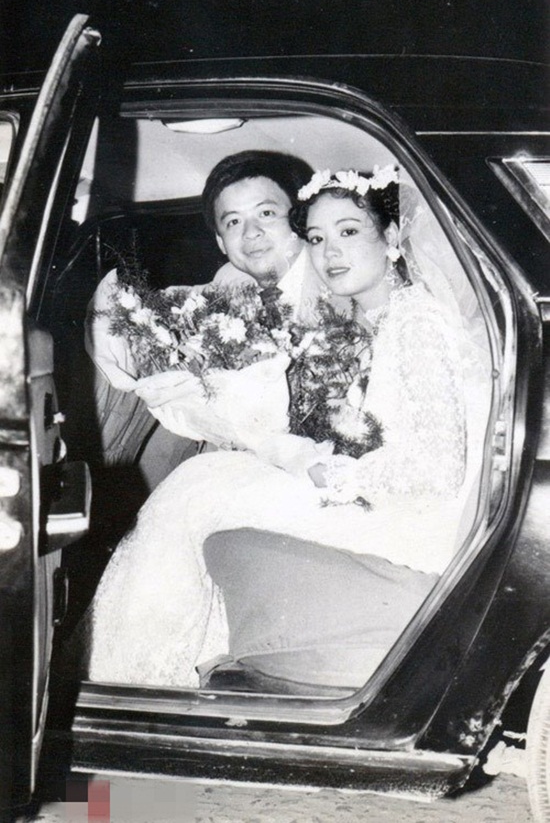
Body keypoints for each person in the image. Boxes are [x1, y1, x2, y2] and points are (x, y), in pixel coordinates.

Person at [83, 166, 472, 690]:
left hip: (410, 518)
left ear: (393, 237)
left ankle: (132, 680)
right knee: (201, 481)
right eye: (318, 238)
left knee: (194, 489)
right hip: (376, 490)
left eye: (349, 231)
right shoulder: (374, 317)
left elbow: (437, 471)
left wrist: (334, 475)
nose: (330, 252)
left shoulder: (417, 323)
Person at [84, 150, 318, 481]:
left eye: (266, 213)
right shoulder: (231, 279)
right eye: (233, 221)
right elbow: (176, 306)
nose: (250, 232)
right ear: (221, 242)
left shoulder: (334, 283)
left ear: (300, 220)